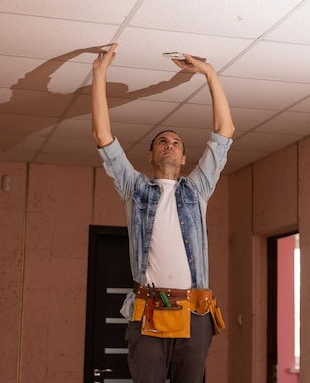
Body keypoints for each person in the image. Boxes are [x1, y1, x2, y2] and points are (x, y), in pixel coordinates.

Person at [91, 43, 234, 383]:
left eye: (176, 143)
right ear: (151, 155)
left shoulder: (196, 190)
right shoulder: (135, 189)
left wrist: (210, 73)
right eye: (162, 142)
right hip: (149, 312)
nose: (169, 145)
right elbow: (102, 136)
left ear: (184, 159)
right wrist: (99, 73)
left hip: (195, 313)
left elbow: (224, 133)